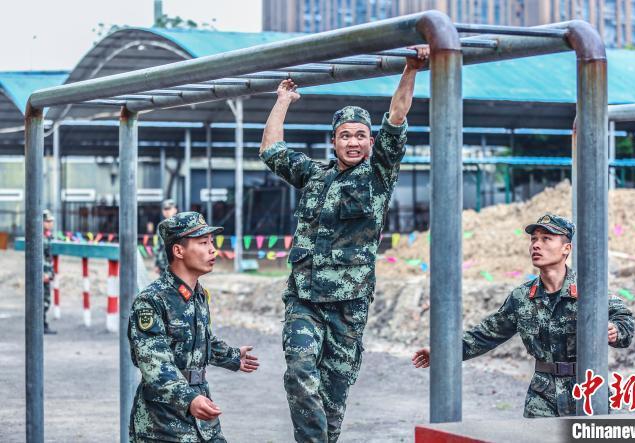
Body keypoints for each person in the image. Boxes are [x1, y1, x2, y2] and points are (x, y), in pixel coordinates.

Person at [259, 45, 429, 442]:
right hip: (303, 298)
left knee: (334, 396)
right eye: (345, 136)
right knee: (300, 370)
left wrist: (410, 70)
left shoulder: (378, 177)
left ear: (370, 142)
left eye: (360, 136)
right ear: (333, 141)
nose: (353, 142)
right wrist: (284, 100)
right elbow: (271, 149)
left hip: (347, 306)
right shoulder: (314, 176)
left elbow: (397, 118)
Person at [412, 213, 635, 418]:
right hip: (543, 394)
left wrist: (615, 330)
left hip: (587, 390)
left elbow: (624, 318)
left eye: (547, 239)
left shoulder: (588, 290)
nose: (536, 245)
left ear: (566, 248)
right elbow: (484, 335)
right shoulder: (522, 297)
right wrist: (442, 353)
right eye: (533, 239)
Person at [128, 211, 259, 442]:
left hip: (201, 407)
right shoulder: (151, 300)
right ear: (178, 251)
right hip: (162, 421)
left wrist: (232, 356)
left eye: (211, 242)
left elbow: (202, 340)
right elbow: (154, 364)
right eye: (203, 243)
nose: (212, 250)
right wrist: (189, 399)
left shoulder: (198, 294)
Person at [154, 199, 178, 274]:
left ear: (175, 210)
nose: (167, 211)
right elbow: (158, 246)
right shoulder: (160, 226)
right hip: (163, 264)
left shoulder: (181, 224)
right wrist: (156, 264)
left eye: (169, 209)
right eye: (165, 209)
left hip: (177, 263)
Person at [42, 209, 57, 335]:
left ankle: (42, 324)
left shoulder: (47, 235)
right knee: (44, 300)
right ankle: (41, 324)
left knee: (45, 300)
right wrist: (43, 273)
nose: (50, 223)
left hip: (46, 272)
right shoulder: (40, 238)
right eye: (48, 221)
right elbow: (40, 256)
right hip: (43, 273)